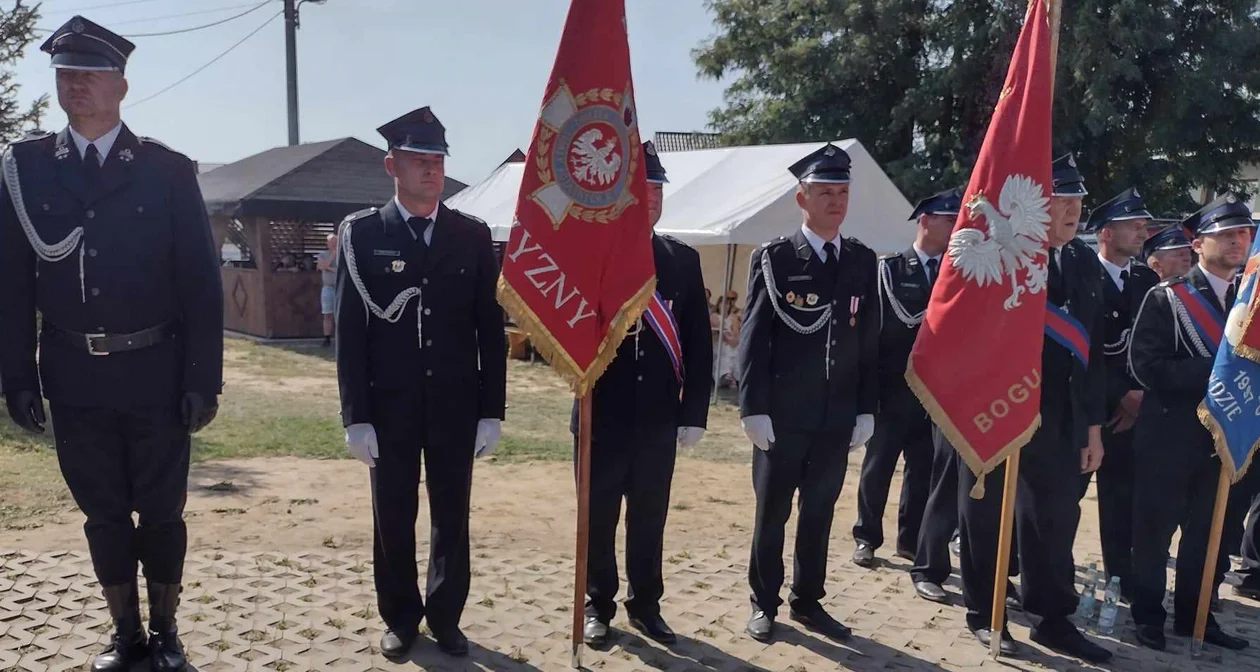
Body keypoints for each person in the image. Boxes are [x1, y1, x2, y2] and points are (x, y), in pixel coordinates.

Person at [0, 16, 223, 672]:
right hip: (75, 376)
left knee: (161, 513)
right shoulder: (27, 168)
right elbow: (11, 281)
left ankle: (168, 632)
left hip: (156, 373)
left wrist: (201, 380)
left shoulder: (168, 171)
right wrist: (16, 376)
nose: (76, 84)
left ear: (121, 86)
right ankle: (124, 634)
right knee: (101, 514)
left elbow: (202, 287)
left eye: (90, 73)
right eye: (65, 73)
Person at [334, 106, 506, 659]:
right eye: (419, 161)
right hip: (391, 406)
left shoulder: (471, 235)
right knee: (393, 514)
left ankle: (447, 615)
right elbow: (350, 331)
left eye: (437, 161)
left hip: (455, 403)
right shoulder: (364, 234)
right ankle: (401, 617)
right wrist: (356, 415)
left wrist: (491, 408)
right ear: (392, 165)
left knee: (452, 513)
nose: (431, 171)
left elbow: (489, 328)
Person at [950, 153, 1110, 662]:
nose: (1072, 211)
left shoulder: (1083, 261)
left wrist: (1092, 428)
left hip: (1061, 416)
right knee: (986, 512)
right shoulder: (1006, 251)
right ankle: (985, 612)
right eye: (1062, 199)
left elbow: (1092, 353)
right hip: (997, 403)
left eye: (1078, 201)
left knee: (1054, 519)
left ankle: (1052, 617)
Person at [737, 143, 878, 643]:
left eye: (842, 193)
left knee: (818, 514)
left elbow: (869, 342)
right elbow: (753, 336)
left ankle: (808, 600)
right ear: (802, 199)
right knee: (771, 515)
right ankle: (764, 602)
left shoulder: (862, 260)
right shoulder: (775, 258)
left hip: (835, 418)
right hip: (783, 416)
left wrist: (866, 407)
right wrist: (752, 407)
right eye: (825, 193)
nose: (835, 201)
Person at [578, 142, 713, 647]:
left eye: (658, 190)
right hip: (603, 412)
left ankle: (646, 605)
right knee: (597, 517)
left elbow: (699, 342)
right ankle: (597, 605)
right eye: (642, 189)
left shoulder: (682, 260)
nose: (651, 198)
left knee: (649, 518)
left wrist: (694, 412)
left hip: (658, 416)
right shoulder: (594, 257)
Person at [1128, 193, 1253, 652]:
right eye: (1225, 234)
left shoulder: (1251, 303)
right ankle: (1146, 616)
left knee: (1212, 535)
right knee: (1154, 533)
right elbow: (1145, 366)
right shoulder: (1168, 298)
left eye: (1243, 233)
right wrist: (1218, 373)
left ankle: (1195, 615)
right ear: (1198, 244)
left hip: (1226, 441)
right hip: (1169, 435)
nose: (1237, 242)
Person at [851, 187, 957, 569]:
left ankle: (910, 540)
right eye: (948, 220)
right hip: (891, 386)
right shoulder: (889, 269)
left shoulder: (957, 273)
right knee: (878, 465)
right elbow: (871, 332)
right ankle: (866, 536)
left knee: (922, 469)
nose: (954, 228)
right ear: (925, 221)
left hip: (934, 394)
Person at [1075, 187, 1159, 600]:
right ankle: (1033, 570)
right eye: (1134, 224)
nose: (1144, 231)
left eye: (1144, 224)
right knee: (1064, 498)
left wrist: (1139, 393)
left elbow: (1152, 345)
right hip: (1087, 406)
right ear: (1106, 232)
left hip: (1133, 411)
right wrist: (1121, 392)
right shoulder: (1081, 272)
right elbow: (1081, 348)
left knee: (1121, 501)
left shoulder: (1146, 279)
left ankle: (1120, 579)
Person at [316, 233, 338, 347]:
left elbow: (341, 271)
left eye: (335, 242)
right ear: (327, 243)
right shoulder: (323, 254)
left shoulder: (343, 255)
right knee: (327, 314)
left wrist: (328, 267)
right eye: (331, 242)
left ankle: (340, 338)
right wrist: (332, 256)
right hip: (328, 288)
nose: (334, 244)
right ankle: (327, 338)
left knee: (339, 315)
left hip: (339, 289)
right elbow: (321, 266)